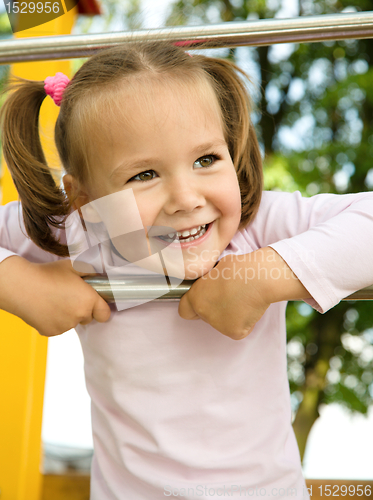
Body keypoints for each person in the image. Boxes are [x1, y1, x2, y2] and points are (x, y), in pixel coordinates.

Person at [0, 41, 372, 500]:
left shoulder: (256, 226)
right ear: (83, 199)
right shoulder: (82, 234)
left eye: (205, 160)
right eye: (143, 175)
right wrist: (16, 283)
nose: (186, 198)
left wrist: (267, 273)